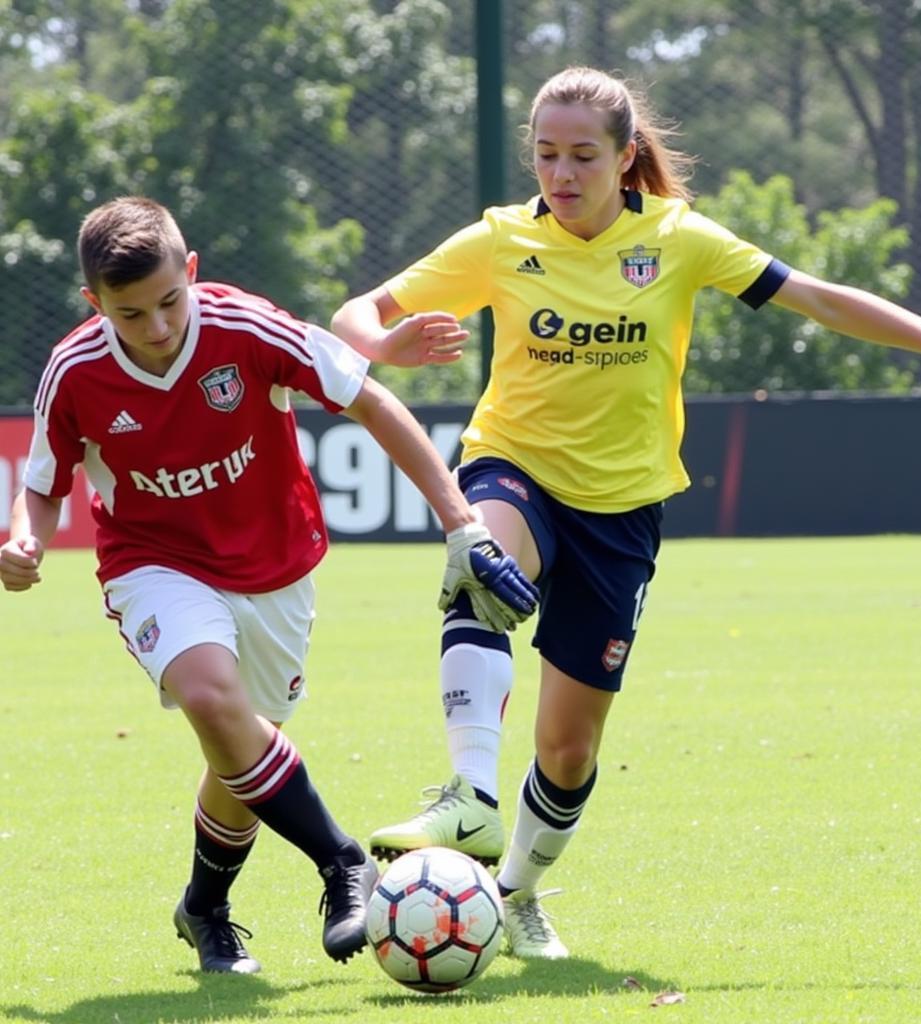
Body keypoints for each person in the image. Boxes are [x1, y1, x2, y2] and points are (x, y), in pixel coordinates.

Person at [330, 65, 921, 960]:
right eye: (546, 154)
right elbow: (356, 314)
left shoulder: (679, 238)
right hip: (514, 463)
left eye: (584, 155)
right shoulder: (499, 241)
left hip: (624, 512)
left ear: (626, 159)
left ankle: (515, 897)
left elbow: (814, 294)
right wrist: (384, 342)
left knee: (570, 751)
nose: (562, 173)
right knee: (484, 565)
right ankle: (470, 798)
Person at [0, 196, 537, 975]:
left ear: (191, 273)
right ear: (95, 303)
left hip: (275, 568)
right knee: (213, 702)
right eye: (130, 313)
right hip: (152, 562)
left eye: (168, 302)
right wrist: (27, 537)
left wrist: (462, 524)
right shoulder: (76, 369)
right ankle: (342, 861)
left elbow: (371, 400)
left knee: (241, 749)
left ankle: (205, 908)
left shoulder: (248, 327)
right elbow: (45, 483)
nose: (155, 328)